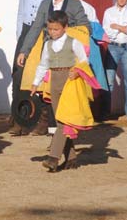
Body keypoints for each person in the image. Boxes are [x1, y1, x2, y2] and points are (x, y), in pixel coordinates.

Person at [17, 0, 91, 136]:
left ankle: (62, 128)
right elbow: (36, 28)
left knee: (62, 91)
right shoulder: (45, 4)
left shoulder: (74, 5)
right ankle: (48, 125)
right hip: (48, 51)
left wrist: (65, 35)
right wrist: (24, 50)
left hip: (67, 55)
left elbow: (86, 28)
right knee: (46, 89)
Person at [31, 11, 89, 172]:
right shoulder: (48, 45)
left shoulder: (73, 42)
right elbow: (43, 65)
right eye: (50, 29)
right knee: (60, 121)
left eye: (56, 29)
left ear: (65, 27)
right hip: (54, 81)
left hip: (70, 81)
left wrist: (77, 71)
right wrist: (35, 83)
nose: (52, 32)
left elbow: (84, 60)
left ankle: (53, 158)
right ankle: (71, 158)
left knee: (64, 121)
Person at [9, 0, 52, 135]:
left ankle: (42, 121)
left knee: (42, 75)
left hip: (46, 32)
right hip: (27, 31)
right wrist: (21, 34)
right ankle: (20, 119)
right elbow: (21, 11)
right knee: (19, 74)